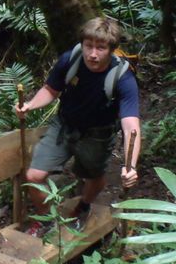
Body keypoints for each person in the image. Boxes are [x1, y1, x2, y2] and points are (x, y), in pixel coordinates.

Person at [15, 16, 141, 237]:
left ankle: (83, 206)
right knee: (34, 176)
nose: (92, 54)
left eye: (100, 48)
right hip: (64, 126)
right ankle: (48, 219)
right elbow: (52, 89)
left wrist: (130, 165)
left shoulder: (123, 77)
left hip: (97, 134)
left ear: (111, 49)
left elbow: (131, 125)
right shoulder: (71, 60)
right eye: (88, 46)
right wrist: (30, 105)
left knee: (93, 177)